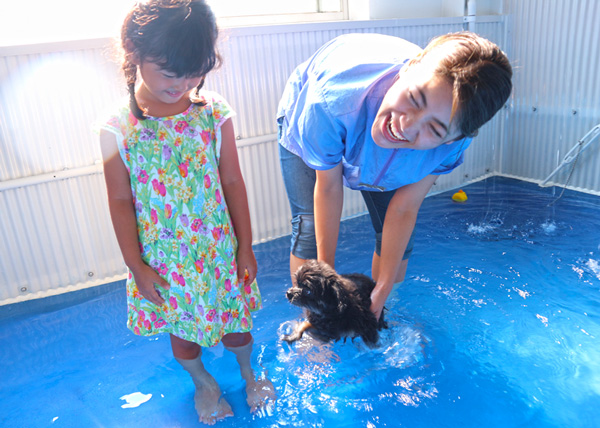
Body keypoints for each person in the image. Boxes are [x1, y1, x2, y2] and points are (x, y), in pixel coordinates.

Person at [98, 0, 275, 424]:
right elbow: (120, 200)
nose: (183, 84)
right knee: (182, 335)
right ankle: (203, 382)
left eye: (195, 72)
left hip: (218, 250)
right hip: (166, 261)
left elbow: (232, 181)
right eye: (169, 72)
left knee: (237, 324)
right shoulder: (116, 128)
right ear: (133, 52)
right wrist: (136, 266)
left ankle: (250, 372)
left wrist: (245, 245)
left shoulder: (212, 112)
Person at [277, 32, 512, 322]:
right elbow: (328, 188)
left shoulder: (451, 145)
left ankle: (379, 312)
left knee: (398, 239)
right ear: (409, 68)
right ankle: (311, 321)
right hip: (321, 106)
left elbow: (403, 208)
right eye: (414, 98)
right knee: (310, 227)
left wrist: (384, 286)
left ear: (454, 139)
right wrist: (326, 287)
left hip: (389, 136)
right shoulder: (330, 103)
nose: (406, 125)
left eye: (435, 129)